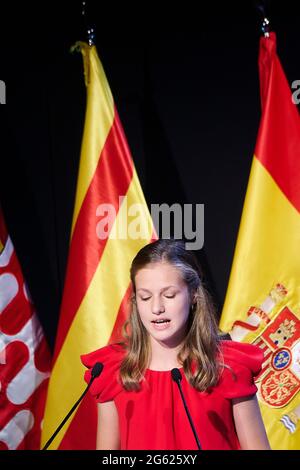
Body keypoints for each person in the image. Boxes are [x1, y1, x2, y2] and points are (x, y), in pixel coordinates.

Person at [81, 238, 270, 450]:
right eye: (145, 297)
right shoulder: (112, 372)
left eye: (169, 295)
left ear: (193, 295)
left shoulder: (228, 367)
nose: (156, 308)